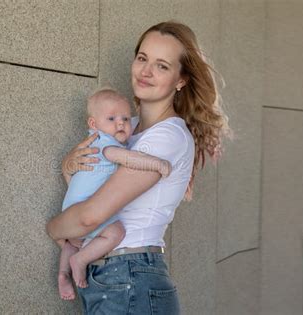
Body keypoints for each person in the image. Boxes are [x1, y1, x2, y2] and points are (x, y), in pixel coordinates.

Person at [47, 21, 230, 314]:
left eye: (162, 66)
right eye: (143, 58)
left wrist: (53, 227)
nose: (146, 71)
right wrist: (69, 164)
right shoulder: (125, 128)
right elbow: (86, 179)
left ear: (180, 80)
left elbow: (89, 217)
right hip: (114, 277)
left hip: (130, 276)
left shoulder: (167, 137)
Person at [57, 87, 172, 301]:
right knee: (115, 232)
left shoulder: (92, 144)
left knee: (72, 242)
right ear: (94, 125)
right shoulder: (106, 144)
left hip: (73, 205)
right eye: (111, 118)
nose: (120, 123)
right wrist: (157, 163)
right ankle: (79, 261)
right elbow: (129, 159)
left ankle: (63, 273)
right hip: (87, 207)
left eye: (125, 119)